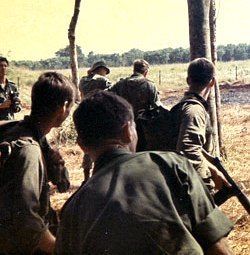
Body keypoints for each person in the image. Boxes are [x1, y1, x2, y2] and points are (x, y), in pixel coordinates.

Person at [55, 91, 235, 255]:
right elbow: (219, 248)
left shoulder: (72, 209)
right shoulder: (171, 165)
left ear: (81, 145)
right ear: (127, 132)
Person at [0, 72, 76, 254]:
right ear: (64, 106)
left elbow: (62, 184)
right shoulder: (29, 149)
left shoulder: (20, 132)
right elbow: (27, 220)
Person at [172, 57, 229, 192]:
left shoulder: (186, 106)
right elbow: (189, 149)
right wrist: (213, 172)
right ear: (212, 82)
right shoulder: (194, 110)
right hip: (192, 184)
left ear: (188, 80)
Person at [78, 60, 112, 183]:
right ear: (101, 69)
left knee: (88, 145)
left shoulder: (82, 80)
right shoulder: (102, 81)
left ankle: (86, 176)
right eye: (105, 71)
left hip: (84, 115)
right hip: (99, 114)